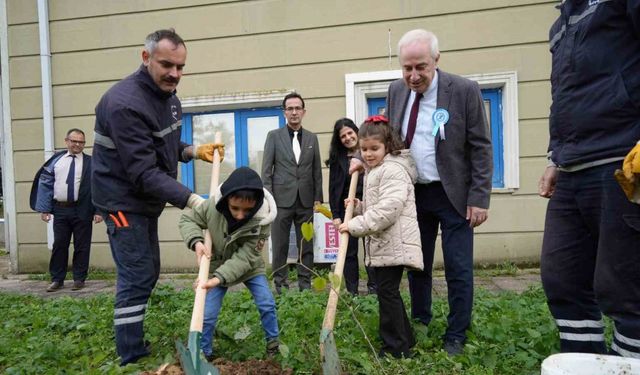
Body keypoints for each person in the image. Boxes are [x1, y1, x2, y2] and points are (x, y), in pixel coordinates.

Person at [92, 29, 220, 366]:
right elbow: (143, 172)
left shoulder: (170, 98)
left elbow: (162, 146)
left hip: (143, 200)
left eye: (181, 67)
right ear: (146, 57)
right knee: (137, 273)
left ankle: (133, 339)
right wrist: (195, 201)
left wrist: (193, 150)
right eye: (167, 65)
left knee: (148, 270)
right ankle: (130, 353)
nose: (175, 74)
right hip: (122, 200)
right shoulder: (124, 104)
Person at [538, 0, 640, 357]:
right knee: (561, 279)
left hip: (623, 161)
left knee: (625, 287)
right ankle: (583, 361)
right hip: (570, 168)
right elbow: (561, 98)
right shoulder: (561, 23)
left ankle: (629, 364)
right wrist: (554, 157)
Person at [386, 29, 493, 355]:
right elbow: (390, 139)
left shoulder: (463, 90)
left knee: (459, 268)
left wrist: (478, 197)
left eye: (421, 67)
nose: (413, 76)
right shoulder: (395, 91)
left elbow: (481, 147)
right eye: (407, 68)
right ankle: (421, 321)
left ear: (436, 61)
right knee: (418, 264)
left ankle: (456, 335)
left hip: (454, 195)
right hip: (414, 194)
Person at [339, 116, 423, 358]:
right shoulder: (377, 170)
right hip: (386, 243)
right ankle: (406, 339)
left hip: (393, 243)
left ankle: (395, 349)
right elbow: (377, 206)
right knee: (390, 293)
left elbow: (388, 210)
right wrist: (358, 207)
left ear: (388, 145)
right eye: (363, 149)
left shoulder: (393, 170)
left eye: (374, 149)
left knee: (387, 295)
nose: (368, 154)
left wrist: (354, 225)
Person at [179, 167, 280, 361]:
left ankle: (273, 345)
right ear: (226, 199)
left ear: (257, 203)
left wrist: (218, 280)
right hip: (216, 264)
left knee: (266, 303)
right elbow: (187, 220)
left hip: (249, 266)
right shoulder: (211, 208)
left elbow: (246, 256)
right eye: (235, 208)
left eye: (247, 210)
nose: (241, 215)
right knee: (206, 314)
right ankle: (204, 354)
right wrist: (197, 241)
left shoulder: (262, 220)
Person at [261, 92, 323, 293]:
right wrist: (269, 200)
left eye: (298, 108)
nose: (294, 112)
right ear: (284, 112)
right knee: (280, 246)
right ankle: (280, 286)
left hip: (305, 201)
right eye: (290, 108)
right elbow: (266, 171)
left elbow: (316, 172)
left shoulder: (312, 138)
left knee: (306, 245)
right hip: (280, 201)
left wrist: (318, 200)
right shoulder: (273, 136)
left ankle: (305, 286)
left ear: (304, 112)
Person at [30, 128, 102, 292]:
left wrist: (98, 211)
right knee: (59, 245)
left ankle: (79, 279)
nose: (77, 144)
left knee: (82, 246)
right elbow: (46, 185)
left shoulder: (91, 162)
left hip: (83, 209)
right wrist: (44, 208)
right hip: (61, 209)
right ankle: (57, 279)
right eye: (74, 141)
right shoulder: (56, 161)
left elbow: (98, 187)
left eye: (81, 142)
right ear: (67, 141)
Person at [326, 118, 376, 295]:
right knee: (349, 251)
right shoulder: (337, 158)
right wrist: (336, 215)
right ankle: (353, 291)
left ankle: (374, 289)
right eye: (343, 136)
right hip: (347, 208)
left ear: (356, 132)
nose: (347, 138)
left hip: (369, 206)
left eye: (350, 133)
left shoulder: (369, 151)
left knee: (371, 248)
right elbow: (333, 189)